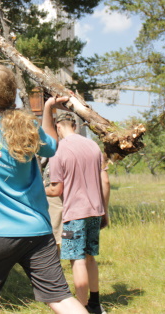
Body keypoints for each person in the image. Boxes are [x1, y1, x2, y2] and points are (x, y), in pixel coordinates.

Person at [0, 30, 87, 314]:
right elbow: (52, 147)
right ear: (12, 93)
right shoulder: (26, 127)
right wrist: (48, 109)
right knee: (61, 298)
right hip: (36, 231)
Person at [46, 112, 110, 314]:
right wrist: (104, 211)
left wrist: (39, 188)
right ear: (74, 124)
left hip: (75, 213)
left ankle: (81, 307)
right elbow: (105, 181)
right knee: (90, 257)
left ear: (58, 126)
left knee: (77, 260)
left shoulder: (59, 150)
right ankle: (95, 303)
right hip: (95, 211)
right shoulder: (93, 146)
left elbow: (56, 190)